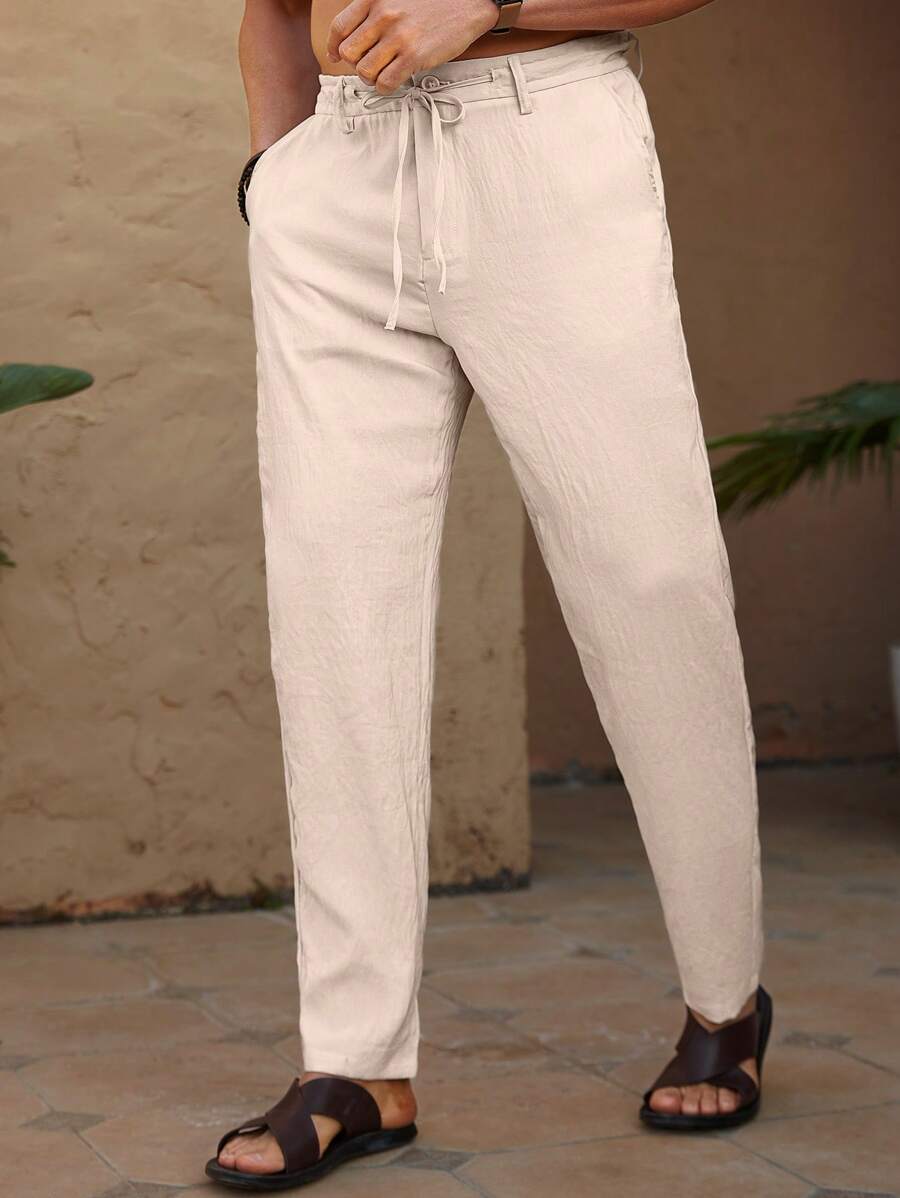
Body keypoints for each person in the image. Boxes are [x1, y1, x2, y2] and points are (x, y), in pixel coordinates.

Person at [207, 0, 771, 1188]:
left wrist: (491, 5)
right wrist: (276, 181)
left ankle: (727, 995)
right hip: (338, 177)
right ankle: (356, 1064)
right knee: (337, 617)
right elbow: (271, 10)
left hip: (546, 146)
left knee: (650, 583)